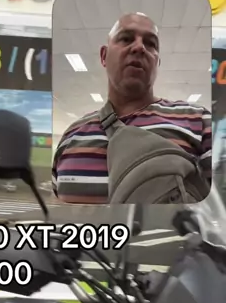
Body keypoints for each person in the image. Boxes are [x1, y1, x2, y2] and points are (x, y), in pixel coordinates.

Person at [52, 12, 212, 204]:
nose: (139, 47)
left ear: (157, 62)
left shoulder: (198, 122)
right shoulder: (71, 137)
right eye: (126, 39)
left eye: (150, 43)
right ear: (104, 56)